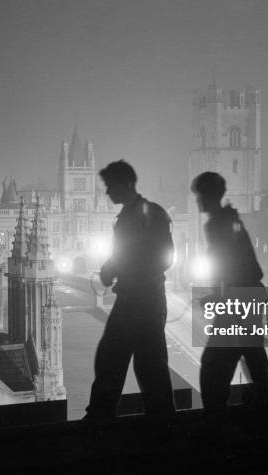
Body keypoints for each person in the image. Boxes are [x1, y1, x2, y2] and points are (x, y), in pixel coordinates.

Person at [85, 160, 176, 422]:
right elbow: (126, 255)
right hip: (138, 299)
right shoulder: (137, 215)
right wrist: (113, 267)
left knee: (124, 360)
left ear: (124, 184)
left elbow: (164, 258)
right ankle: (162, 421)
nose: (106, 192)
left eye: (110, 186)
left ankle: (101, 419)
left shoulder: (148, 214)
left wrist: (125, 272)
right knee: (141, 363)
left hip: (141, 300)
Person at [191, 172, 268, 414]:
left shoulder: (217, 224)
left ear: (207, 196)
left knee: (213, 365)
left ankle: (218, 421)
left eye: (199, 196)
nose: (197, 201)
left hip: (239, 298)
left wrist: (218, 297)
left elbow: (225, 264)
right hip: (250, 294)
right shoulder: (228, 218)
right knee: (252, 355)